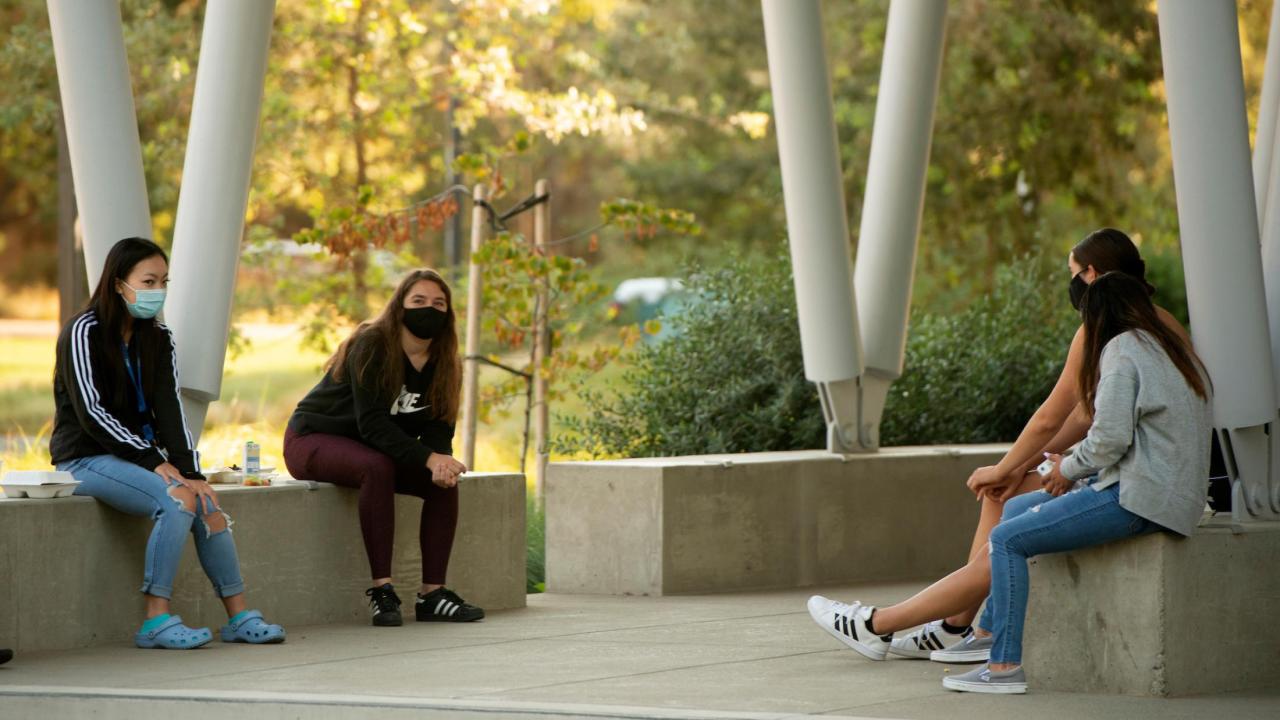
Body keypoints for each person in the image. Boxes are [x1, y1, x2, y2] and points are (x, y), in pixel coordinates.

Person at [807, 228, 1192, 663]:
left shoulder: (1109, 331)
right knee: (1004, 499)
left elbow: (1061, 415)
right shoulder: (1163, 322)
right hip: (1150, 476)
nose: (1069, 286)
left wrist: (1008, 466)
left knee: (1004, 512)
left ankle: (906, 626)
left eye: (1071, 274)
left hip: (1136, 487)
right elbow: (1091, 414)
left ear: (1091, 274)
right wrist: (1023, 466)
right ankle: (961, 625)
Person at [941, 271, 1212, 693]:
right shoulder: (1168, 349)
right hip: (1169, 496)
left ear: (1099, 315)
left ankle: (1003, 667)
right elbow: (1131, 437)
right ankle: (987, 633)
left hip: (1137, 499)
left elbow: (1109, 439)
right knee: (1012, 510)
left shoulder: (1121, 350)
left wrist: (1067, 470)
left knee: (1008, 538)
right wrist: (1067, 462)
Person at [51, 237, 285, 649]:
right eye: (148, 280)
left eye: (163, 281)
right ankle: (155, 620)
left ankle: (239, 615)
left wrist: (191, 471)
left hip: (139, 459)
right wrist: (154, 462)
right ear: (118, 282)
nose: (157, 290)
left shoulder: (158, 339)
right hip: (85, 458)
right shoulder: (82, 332)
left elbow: (171, 413)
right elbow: (91, 412)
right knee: (176, 500)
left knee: (204, 500)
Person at [283, 268, 483, 627]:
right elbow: (372, 423)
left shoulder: (445, 361)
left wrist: (439, 461)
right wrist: (427, 457)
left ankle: (433, 595)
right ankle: (382, 591)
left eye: (439, 304)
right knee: (378, 467)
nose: (429, 309)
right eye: (418, 301)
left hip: (373, 448)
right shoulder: (373, 344)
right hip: (313, 439)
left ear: (448, 314)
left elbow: (439, 428)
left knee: (444, 478)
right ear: (399, 307)